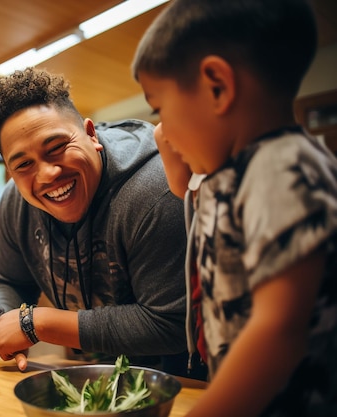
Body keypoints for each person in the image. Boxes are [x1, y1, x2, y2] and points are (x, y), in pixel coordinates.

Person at [132, 0, 337, 416]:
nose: (163, 132)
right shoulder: (228, 175)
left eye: (160, 109)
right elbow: (182, 183)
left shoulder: (281, 168)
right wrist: (168, 124)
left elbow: (279, 331)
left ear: (218, 88)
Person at [0, 67, 207, 379]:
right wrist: (10, 323)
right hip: (91, 373)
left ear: (90, 134)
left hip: (176, 380)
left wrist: (38, 323)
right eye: (23, 164)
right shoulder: (15, 202)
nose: (47, 175)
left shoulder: (155, 190)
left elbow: (171, 323)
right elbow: (11, 281)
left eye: (57, 147)